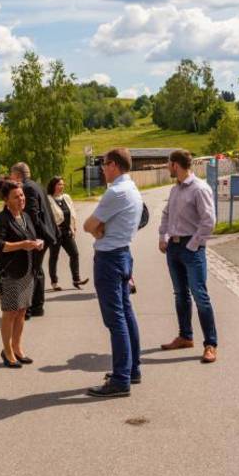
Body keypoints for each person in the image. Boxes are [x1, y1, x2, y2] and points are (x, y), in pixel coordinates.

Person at [83, 148, 143, 398]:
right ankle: (132, 370)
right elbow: (97, 226)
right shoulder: (132, 189)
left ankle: (120, 379)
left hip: (109, 258)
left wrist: (98, 230)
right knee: (126, 314)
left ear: (115, 165)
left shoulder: (115, 191)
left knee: (115, 319)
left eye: (104, 164)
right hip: (123, 253)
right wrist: (99, 229)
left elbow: (88, 225)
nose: (102, 168)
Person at [159, 149, 218, 363]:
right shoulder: (175, 190)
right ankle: (185, 336)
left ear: (176, 165)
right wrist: (162, 236)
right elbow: (166, 214)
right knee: (180, 294)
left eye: (168, 163)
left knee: (200, 296)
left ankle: (210, 344)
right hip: (173, 249)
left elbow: (209, 221)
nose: (167, 167)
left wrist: (192, 245)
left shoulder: (200, 188)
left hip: (191, 248)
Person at [0, 180, 43, 368]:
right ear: (6, 200)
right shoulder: (0, 220)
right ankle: (7, 351)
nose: (21, 199)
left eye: (22, 195)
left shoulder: (26, 216)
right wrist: (23, 245)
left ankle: (17, 347)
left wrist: (36, 243)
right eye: (16, 196)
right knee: (10, 312)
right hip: (11, 273)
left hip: (27, 271)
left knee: (21, 312)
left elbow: (30, 237)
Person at [10, 162, 57, 318]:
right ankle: (37, 307)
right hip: (45, 234)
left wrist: (30, 238)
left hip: (38, 236)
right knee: (37, 270)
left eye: (12, 175)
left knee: (31, 272)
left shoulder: (28, 188)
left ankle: (29, 308)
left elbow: (33, 216)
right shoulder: (36, 185)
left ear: (17, 175)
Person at [46, 176, 88, 291]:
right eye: (59, 184)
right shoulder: (48, 199)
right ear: (53, 185)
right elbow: (46, 218)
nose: (61, 187)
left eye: (63, 184)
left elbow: (72, 212)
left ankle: (76, 279)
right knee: (54, 257)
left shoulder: (66, 197)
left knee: (74, 254)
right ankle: (54, 282)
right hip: (55, 233)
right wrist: (53, 228)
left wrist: (73, 227)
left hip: (67, 232)